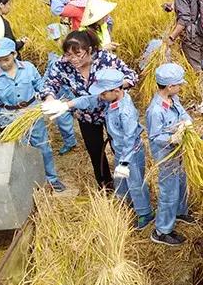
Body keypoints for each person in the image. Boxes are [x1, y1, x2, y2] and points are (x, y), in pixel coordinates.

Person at [41, 30, 138, 189]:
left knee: (119, 147)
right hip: (86, 115)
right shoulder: (62, 64)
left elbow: (131, 76)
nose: (73, 60)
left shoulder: (105, 59)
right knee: (95, 151)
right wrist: (50, 100)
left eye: (78, 54)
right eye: (68, 55)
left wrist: (114, 87)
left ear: (90, 50)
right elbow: (49, 85)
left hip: (111, 111)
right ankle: (106, 186)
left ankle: (128, 184)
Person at [0, 38, 65, 191]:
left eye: (6, 59)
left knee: (43, 147)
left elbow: (40, 86)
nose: (3, 63)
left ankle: (52, 179)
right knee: (20, 151)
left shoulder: (28, 68)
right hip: (10, 118)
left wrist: (48, 97)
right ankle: (29, 182)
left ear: (14, 54)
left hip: (33, 112)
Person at [84, 68, 154, 230]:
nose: (100, 96)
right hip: (121, 150)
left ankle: (145, 213)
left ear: (115, 91)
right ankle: (125, 204)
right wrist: (68, 104)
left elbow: (129, 139)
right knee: (121, 180)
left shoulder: (126, 112)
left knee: (135, 182)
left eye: (102, 93)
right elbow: (89, 100)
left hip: (131, 155)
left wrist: (124, 162)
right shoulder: (111, 99)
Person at [146, 63, 193, 246]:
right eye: (179, 84)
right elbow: (156, 137)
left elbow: (182, 113)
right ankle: (162, 230)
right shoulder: (155, 110)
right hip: (166, 155)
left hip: (178, 152)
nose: (181, 87)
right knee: (169, 191)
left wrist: (187, 122)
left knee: (181, 182)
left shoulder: (173, 99)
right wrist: (173, 138)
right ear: (170, 86)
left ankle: (180, 212)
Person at [44, 24, 77, 155]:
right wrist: (47, 94)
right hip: (61, 94)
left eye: (59, 39)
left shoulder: (75, 54)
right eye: (54, 40)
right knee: (63, 120)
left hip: (75, 91)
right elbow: (48, 78)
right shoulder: (53, 58)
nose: (57, 43)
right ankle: (70, 142)